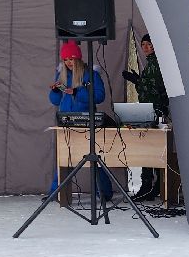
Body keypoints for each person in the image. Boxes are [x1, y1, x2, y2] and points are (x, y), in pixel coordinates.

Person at [50, 39, 115, 201]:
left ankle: (104, 192)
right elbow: (55, 101)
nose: (68, 63)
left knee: (94, 158)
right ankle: (56, 192)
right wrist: (56, 92)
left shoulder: (90, 74)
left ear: (78, 59)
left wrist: (77, 93)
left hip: (87, 122)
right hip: (66, 122)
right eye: (65, 60)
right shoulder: (61, 74)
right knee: (63, 158)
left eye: (71, 59)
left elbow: (100, 96)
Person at [122, 33, 170, 202]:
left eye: (148, 44)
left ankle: (149, 186)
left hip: (156, 111)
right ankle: (151, 186)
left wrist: (137, 81)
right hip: (151, 110)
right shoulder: (152, 63)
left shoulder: (156, 64)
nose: (145, 48)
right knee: (150, 149)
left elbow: (155, 89)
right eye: (143, 45)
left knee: (151, 150)